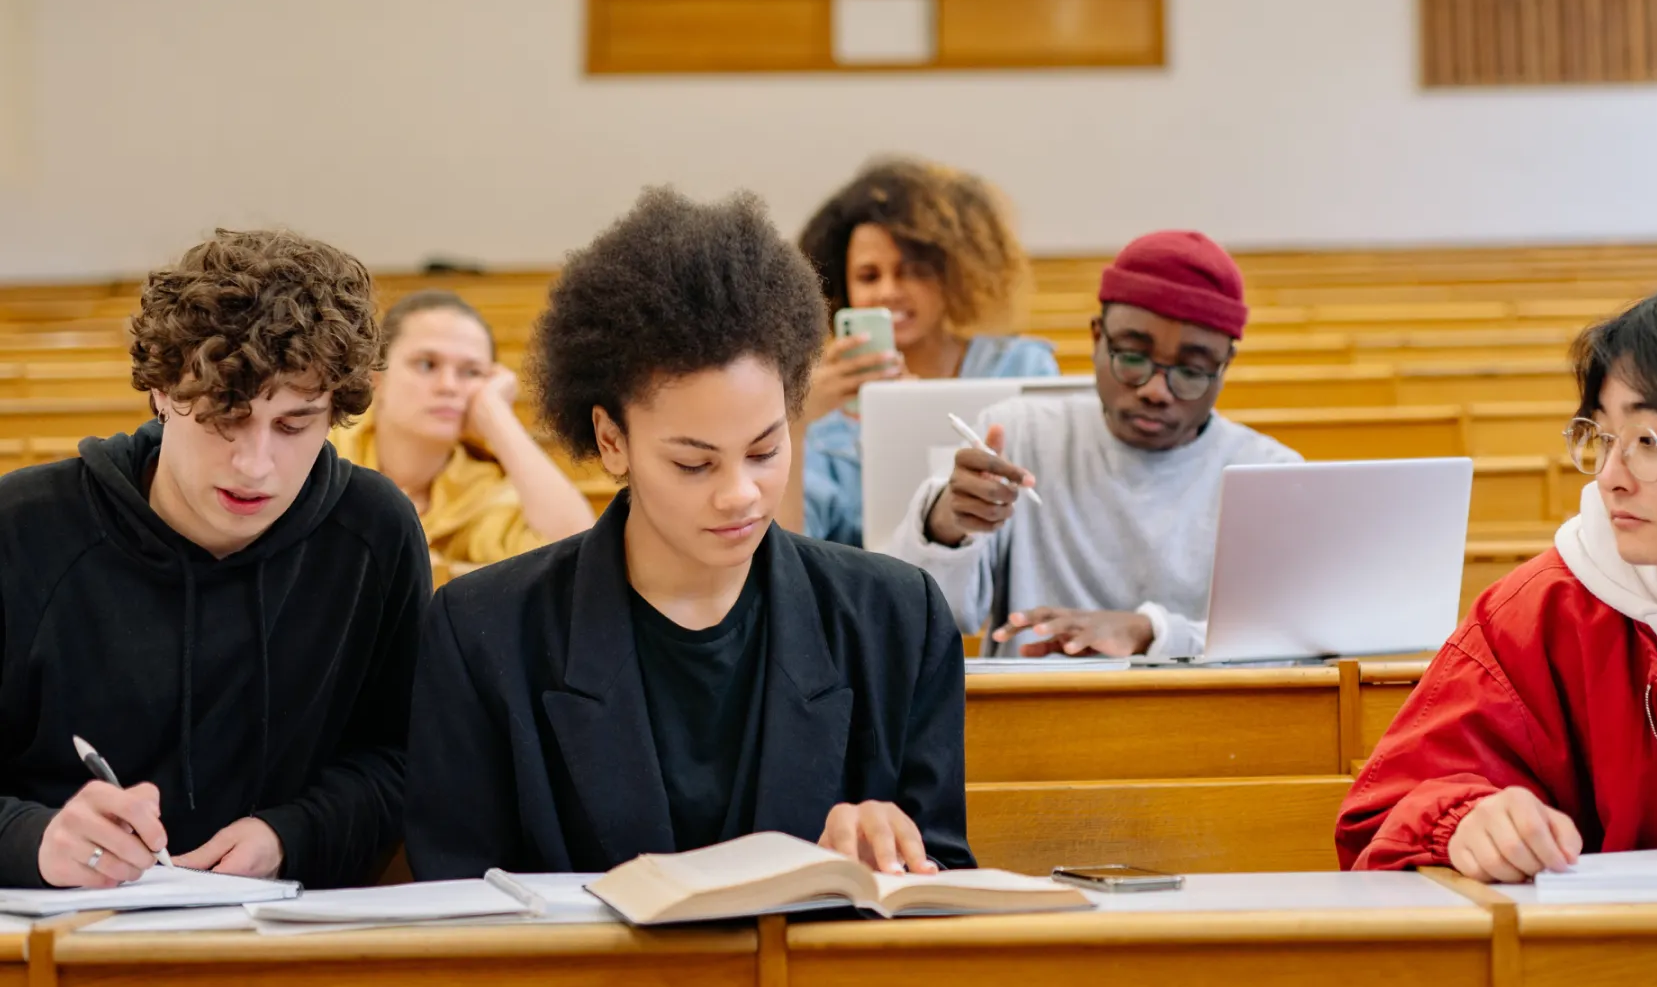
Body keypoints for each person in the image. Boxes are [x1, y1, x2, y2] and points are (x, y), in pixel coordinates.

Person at [404, 188, 972, 878]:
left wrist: (892, 854)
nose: (740, 493)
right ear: (611, 440)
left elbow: (945, 876)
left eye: (765, 450)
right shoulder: (483, 631)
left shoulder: (897, 617)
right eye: (694, 463)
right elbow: (458, 902)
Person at [0, 230, 430, 890]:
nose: (255, 465)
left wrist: (292, 834)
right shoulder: (23, 528)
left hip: (286, 925)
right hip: (55, 926)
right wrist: (34, 840)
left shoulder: (375, 533)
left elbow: (405, 756)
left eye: (293, 425)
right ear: (161, 392)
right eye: (225, 416)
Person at [1337, 278, 1657, 880]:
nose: (1610, 477)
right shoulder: (1547, 606)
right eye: (1603, 438)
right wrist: (1464, 824)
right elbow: (1385, 813)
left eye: (1650, 441)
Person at [884, 230, 1298, 658]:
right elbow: (918, 612)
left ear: (1225, 366)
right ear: (1097, 337)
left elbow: (1295, 640)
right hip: (1034, 698)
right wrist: (948, 522)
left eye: (1191, 371)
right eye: (1132, 358)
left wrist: (1151, 633)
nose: (1156, 390)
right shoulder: (1018, 434)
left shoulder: (1269, 474)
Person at [795, 158, 1058, 547]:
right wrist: (796, 421)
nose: (888, 292)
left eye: (914, 271)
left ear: (953, 275)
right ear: (842, 287)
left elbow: (1050, 509)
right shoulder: (823, 404)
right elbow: (791, 545)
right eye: (869, 276)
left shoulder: (1020, 366)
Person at [331, 291, 593, 567]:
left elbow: (575, 549)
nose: (449, 386)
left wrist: (497, 416)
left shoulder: (477, 491)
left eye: (471, 372)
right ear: (376, 378)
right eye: (426, 364)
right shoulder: (323, 450)